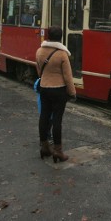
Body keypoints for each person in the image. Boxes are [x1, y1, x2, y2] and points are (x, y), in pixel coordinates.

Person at [36, 26, 76, 162]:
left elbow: (39, 71)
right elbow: (68, 76)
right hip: (58, 90)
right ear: (61, 37)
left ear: (48, 36)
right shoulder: (62, 54)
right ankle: (58, 151)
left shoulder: (39, 51)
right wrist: (72, 92)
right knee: (57, 120)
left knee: (44, 117)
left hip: (44, 88)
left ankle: (44, 147)